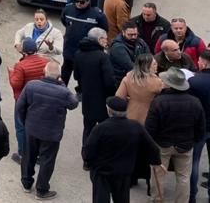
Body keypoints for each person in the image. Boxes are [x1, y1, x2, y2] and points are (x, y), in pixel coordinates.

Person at [82, 95, 163, 203]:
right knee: (122, 199)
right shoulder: (135, 126)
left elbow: (88, 150)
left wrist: (88, 162)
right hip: (124, 172)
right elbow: (153, 147)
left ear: (109, 110)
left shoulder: (100, 128)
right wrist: (157, 162)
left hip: (102, 172)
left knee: (100, 199)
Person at [17, 61, 79, 199]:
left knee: (28, 156)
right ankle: (42, 190)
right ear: (59, 76)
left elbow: (20, 107)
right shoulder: (63, 92)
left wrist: (25, 122)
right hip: (51, 132)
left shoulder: (31, 86)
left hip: (31, 128)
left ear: (44, 73)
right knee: (47, 160)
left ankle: (26, 183)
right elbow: (73, 104)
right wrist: (62, 84)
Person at [145, 67, 206, 203]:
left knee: (158, 175)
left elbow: (150, 128)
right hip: (185, 144)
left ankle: (158, 199)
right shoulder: (195, 102)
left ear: (168, 83)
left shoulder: (158, 102)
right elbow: (201, 127)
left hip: (162, 144)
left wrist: (151, 144)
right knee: (184, 177)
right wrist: (193, 140)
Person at [115, 53, 164, 190]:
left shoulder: (129, 78)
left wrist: (131, 99)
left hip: (131, 116)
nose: (156, 66)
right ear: (147, 66)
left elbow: (119, 97)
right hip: (149, 118)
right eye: (154, 64)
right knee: (146, 149)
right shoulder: (156, 82)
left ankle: (131, 178)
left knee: (130, 149)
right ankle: (147, 178)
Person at [74, 27, 116, 151]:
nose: (106, 42)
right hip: (102, 100)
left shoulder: (78, 54)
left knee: (88, 129)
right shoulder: (102, 57)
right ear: (99, 39)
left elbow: (76, 75)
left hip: (87, 98)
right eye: (105, 39)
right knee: (104, 129)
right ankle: (102, 154)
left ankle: (86, 155)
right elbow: (109, 81)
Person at [9, 38, 48, 164]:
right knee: (36, 127)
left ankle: (23, 154)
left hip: (23, 101)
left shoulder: (21, 66)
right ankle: (37, 155)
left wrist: (11, 73)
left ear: (24, 51)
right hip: (40, 100)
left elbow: (16, 84)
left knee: (21, 127)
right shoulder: (45, 62)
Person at [60, 0, 108, 86]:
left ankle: (81, 92)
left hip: (86, 52)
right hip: (69, 49)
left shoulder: (97, 15)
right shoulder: (68, 10)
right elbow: (64, 21)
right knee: (65, 73)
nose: (78, 4)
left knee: (83, 75)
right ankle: (61, 89)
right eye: (76, 1)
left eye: (82, 2)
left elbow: (104, 29)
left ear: (88, 1)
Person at [186, 51, 210, 203]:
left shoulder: (194, 81)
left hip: (198, 127)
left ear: (204, 63)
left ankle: (192, 197)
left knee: (193, 163)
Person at [108, 20, 151, 84]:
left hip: (138, 75)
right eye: (130, 35)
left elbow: (149, 58)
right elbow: (129, 66)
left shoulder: (141, 42)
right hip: (122, 79)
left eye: (135, 34)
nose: (133, 37)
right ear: (123, 32)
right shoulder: (117, 47)